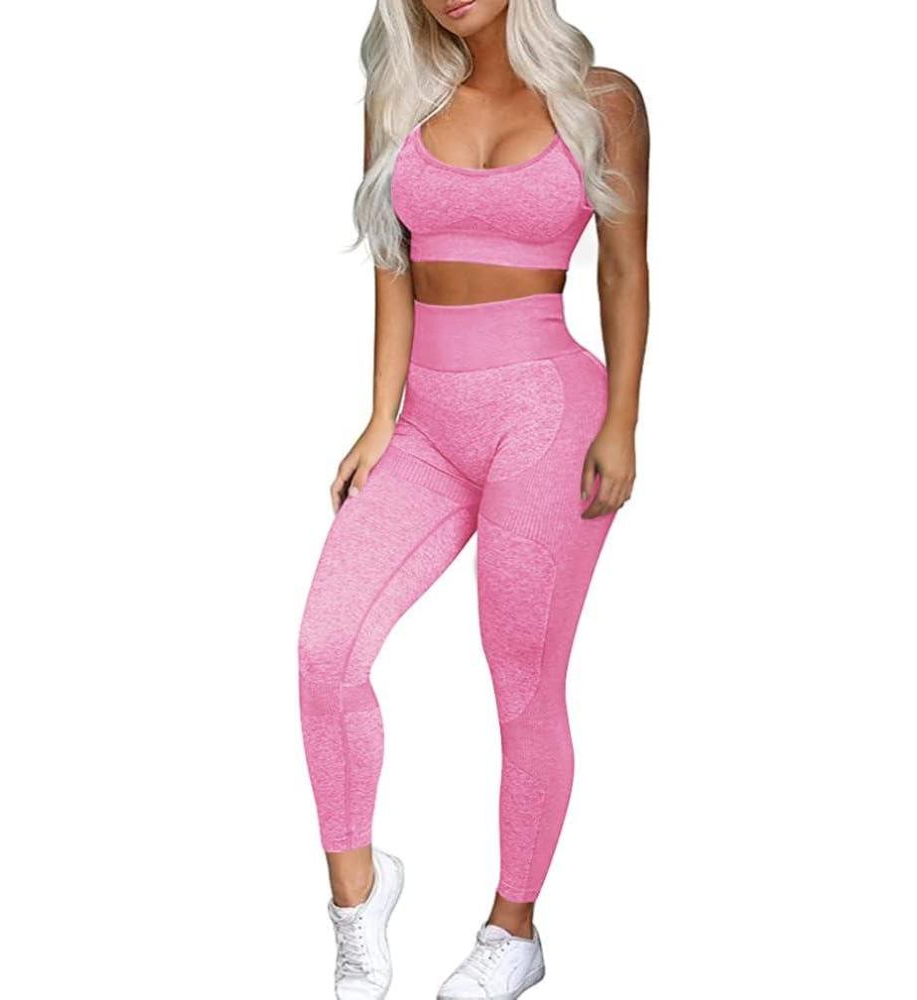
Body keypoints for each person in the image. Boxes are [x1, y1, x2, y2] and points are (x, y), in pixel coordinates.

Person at [297, 1, 649, 997]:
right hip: (426, 426)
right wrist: (380, 417)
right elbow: (391, 263)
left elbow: (625, 269)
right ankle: (358, 901)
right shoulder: (401, 97)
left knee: (522, 681)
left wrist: (622, 423)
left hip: (548, 418)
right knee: (327, 650)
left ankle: (513, 931)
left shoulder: (602, 100)